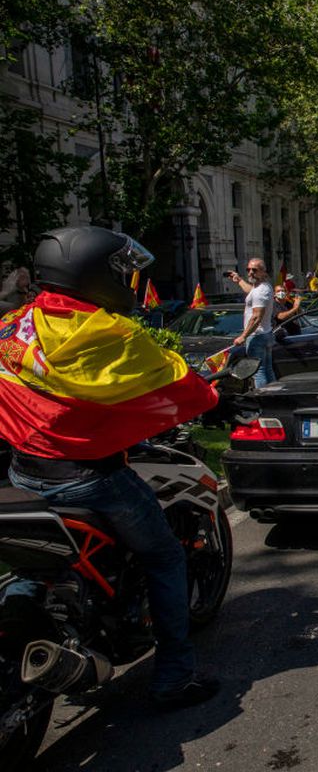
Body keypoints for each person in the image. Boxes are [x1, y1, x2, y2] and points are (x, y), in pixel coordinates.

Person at [0, 226, 221, 709]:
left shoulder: (17, 322)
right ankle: (174, 677)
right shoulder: (110, 334)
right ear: (95, 275)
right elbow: (180, 385)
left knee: (35, 567)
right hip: (89, 480)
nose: (129, 282)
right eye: (121, 273)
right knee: (164, 556)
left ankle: (22, 614)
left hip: (23, 473)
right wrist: (211, 394)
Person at [225, 258, 274, 387]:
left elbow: (256, 317)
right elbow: (251, 291)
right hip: (265, 334)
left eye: (254, 270)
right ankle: (273, 397)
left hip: (257, 336)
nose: (250, 272)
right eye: (248, 269)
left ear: (263, 272)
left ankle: (263, 400)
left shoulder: (260, 291)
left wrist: (243, 336)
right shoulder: (263, 287)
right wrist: (239, 280)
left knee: (259, 372)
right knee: (267, 369)